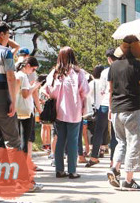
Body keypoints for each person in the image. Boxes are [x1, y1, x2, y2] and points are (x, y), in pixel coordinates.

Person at [0, 21, 42, 192]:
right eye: (7, 35)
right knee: (13, 142)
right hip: (2, 102)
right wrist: (12, 101)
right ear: (1, 35)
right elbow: (11, 78)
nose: (9, 38)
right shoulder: (5, 52)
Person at [106, 35, 140, 191]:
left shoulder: (113, 66)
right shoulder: (137, 65)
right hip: (133, 108)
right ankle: (128, 180)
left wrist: (110, 108)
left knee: (121, 141)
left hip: (116, 109)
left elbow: (110, 89)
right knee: (134, 142)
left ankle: (114, 168)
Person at [43, 47, 89, 179]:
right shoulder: (78, 73)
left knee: (60, 140)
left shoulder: (54, 73)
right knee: (73, 141)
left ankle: (59, 170)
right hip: (74, 111)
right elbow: (85, 91)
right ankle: (72, 171)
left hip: (58, 112)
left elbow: (47, 90)